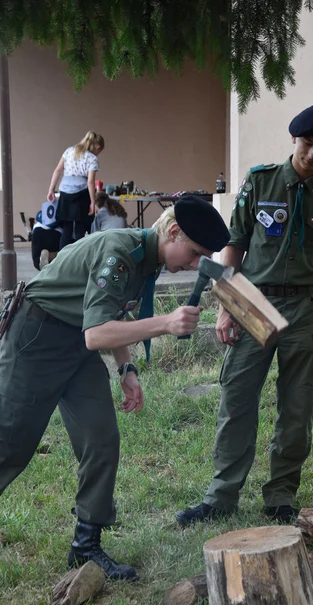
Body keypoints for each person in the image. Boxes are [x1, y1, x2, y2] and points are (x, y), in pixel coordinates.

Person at [0, 196, 230, 580]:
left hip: (76, 343)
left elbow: (111, 314)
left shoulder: (148, 260)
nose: (193, 265)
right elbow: (97, 333)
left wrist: (126, 367)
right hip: (35, 338)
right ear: (173, 232)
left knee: (101, 439)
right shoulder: (120, 251)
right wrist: (165, 323)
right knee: (10, 444)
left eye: (201, 258)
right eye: (194, 254)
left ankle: (86, 546)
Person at [177, 104, 313, 527]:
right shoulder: (260, 182)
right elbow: (233, 246)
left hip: (307, 310)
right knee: (237, 400)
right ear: (294, 139)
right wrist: (225, 306)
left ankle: (280, 497)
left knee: (297, 409)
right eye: (307, 144)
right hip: (253, 302)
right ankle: (221, 498)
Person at [47, 131, 104, 251]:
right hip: (81, 193)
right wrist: (93, 202)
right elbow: (90, 181)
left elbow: (58, 170)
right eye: (99, 151)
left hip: (65, 191)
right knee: (80, 228)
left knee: (66, 229)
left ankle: (62, 259)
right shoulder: (92, 158)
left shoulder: (69, 151)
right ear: (97, 147)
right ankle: (78, 258)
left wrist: (51, 189)